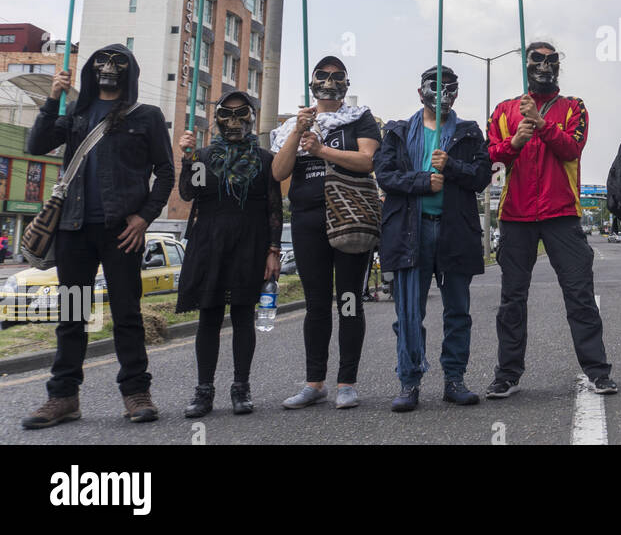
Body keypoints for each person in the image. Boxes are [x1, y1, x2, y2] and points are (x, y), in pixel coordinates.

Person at [21, 44, 175, 428]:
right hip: (73, 229)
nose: (108, 68)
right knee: (73, 313)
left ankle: (136, 393)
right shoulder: (75, 113)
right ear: (91, 71)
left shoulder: (147, 116)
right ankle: (63, 398)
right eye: (101, 62)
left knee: (127, 315)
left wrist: (143, 217)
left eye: (117, 62)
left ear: (129, 72)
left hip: (121, 232)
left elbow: (166, 172)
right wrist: (53, 96)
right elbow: (35, 145)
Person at [485, 42, 615, 398]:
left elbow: (572, 148)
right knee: (512, 299)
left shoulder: (575, 107)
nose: (545, 65)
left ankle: (597, 371)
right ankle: (507, 374)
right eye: (537, 59)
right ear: (526, 65)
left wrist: (542, 125)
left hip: (562, 215)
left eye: (552, 60)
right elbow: (492, 168)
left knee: (579, 294)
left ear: (559, 65)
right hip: (515, 215)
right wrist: (512, 144)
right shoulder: (503, 110)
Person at [375, 66, 491, 411]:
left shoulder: (469, 133)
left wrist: (452, 166)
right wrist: (423, 181)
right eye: (435, 87)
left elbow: (483, 176)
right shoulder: (397, 132)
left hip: (455, 229)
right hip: (411, 230)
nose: (442, 94)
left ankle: (454, 379)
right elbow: (385, 175)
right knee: (409, 311)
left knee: (458, 309)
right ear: (420, 91)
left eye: (449, 88)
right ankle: (409, 381)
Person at [271, 56, 381, 410]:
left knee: (348, 300)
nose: (330, 82)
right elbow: (278, 172)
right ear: (312, 82)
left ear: (346, 83)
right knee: (316, 305)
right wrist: (298, 132)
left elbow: (367, 161)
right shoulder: (297, 122)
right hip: (307, 219)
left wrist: (321, 150)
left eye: (337, 76)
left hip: (349, 215)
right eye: (323, 75)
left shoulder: (360, 117)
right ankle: (314, 382)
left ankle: (346, 382)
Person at [175, 91, 282, 417]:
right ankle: (203, 391)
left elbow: (274, 209)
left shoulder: (265, 160)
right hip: (209, 243)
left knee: (241, 317)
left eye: (241, 113)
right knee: (208, 317)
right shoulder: (204, 156)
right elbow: (188, 192)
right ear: (217, 118)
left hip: (250, 244)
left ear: (252, 117)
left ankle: (241, 388)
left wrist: (273, 251)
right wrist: (188, 158)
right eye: (226, 114)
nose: (234, 121)